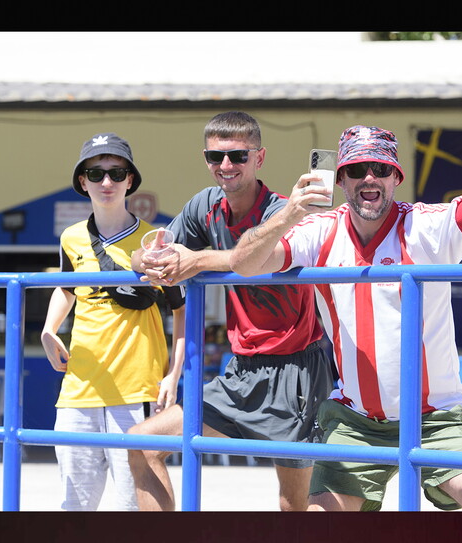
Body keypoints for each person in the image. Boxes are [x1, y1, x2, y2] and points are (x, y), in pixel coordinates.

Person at [229, 111, 462, 511]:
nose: (369, 178)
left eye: (380, 168)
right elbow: (244, 264)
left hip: (435, 419)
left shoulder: (424, 226)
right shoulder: (320, 231)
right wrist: (290, 212)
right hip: (357, 422)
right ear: (341, 180)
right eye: (357, 169)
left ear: (395, 178)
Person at [126, 111, 333, 511]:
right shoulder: (205, 205)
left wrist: (197, 260)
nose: (226, 166)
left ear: (260, 158)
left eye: (238, 156)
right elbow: (154, 249)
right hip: (241, 372)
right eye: (215, 157)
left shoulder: (284, 211)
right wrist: (146, 261)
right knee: (142, 444)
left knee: (294, 504)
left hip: (297, 371)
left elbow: (245, 259)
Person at [40, 132, 187, 511]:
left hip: (137, 388)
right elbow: (66, 288)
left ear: (130, 180)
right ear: (82, 181)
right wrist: (48, 330)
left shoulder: (156, 241)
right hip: (80, 387)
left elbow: (181, 308)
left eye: (117, 173)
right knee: (74, 506)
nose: (107, 182)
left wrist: (174, 373)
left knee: (133, 507)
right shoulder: (71, 237)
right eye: (96, 172)